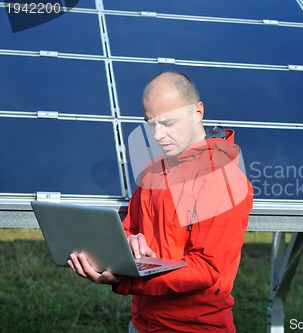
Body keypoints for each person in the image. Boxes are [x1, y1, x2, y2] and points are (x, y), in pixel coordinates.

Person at [68, 71, 254, 332]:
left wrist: (127, 279)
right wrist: (128, 244)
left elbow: (207, 269)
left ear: (197, 113)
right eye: (151, 124)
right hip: (142, 324)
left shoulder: (222, 179)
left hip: (194, 328)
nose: (157, 136)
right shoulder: (154, 171)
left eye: (168, 123)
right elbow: (129, 229)